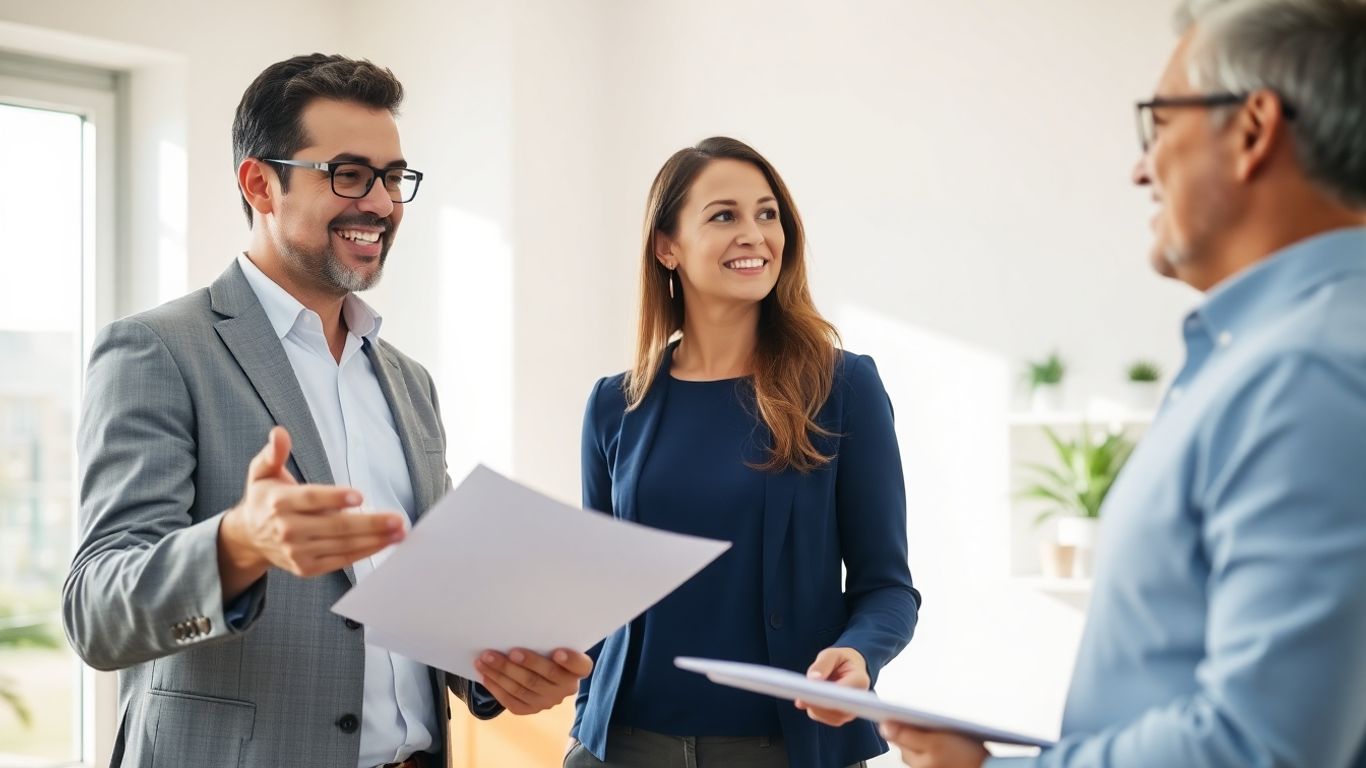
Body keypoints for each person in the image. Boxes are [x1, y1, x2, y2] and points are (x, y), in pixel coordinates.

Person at [61, 54, 591, 768]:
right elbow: (96, 614)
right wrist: (237, 545)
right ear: (260, 184)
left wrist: (503, 670)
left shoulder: (409, 382)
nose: (381, 203)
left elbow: (431, 599)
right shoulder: (158, 350)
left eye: (393, 177)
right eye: (348, 174)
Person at [882, 1, 1366, 765]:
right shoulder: (1285, 355)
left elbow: (1261, 747)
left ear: (1252, 130)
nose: (1141, 168)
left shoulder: (1305, 375)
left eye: (1160, 124)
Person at [568, 136, 921, 768]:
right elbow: (600, 592)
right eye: (724, 215)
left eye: (767, 213)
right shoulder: (614, 404)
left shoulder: (843, 388)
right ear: (667, 246)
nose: (754, 234)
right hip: (623, 748)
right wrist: (581, 723)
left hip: (786, 750)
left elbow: (888, 587)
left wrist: (860, 653)